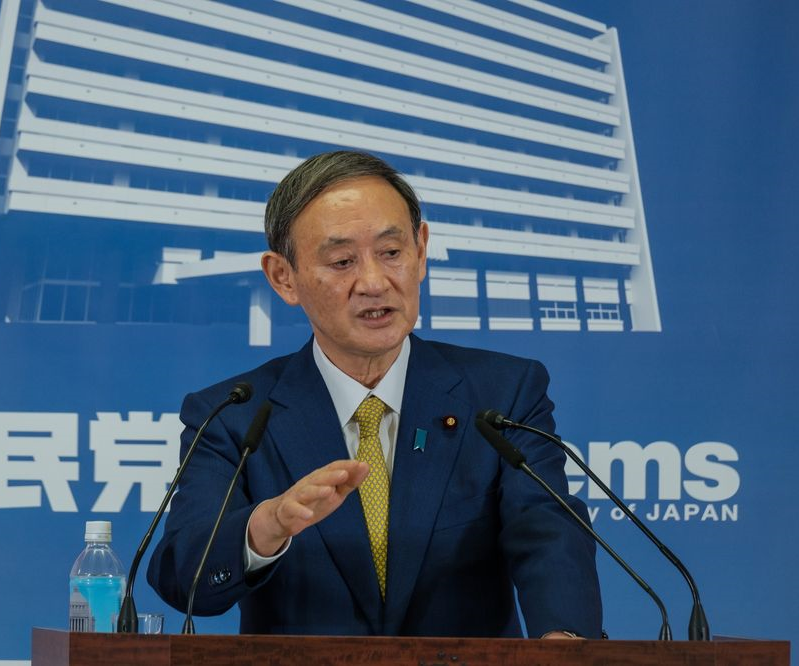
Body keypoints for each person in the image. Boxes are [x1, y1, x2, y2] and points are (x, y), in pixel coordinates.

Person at [148, 150, 602, 638]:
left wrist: (565, 640)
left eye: (391, 252)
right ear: (284, 277)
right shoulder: (234, 414)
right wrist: (267, 526)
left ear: (421, 250)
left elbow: (547, 531)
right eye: (342, 261)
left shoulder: (502, 394)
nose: (373, 282)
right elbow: (184, 576)